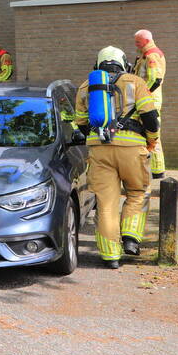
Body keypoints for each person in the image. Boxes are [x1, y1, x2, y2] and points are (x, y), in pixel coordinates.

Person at [74, 46, 159, 269]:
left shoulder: (85, 86)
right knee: (138, 192)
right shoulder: (135, 82)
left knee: (106, 203)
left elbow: (81, 123)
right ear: (123, 63)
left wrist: (97, 139)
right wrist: (152, 139)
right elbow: (150, 117)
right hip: (132, 149)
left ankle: (111, 256)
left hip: (99, 152)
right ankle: (130, 238)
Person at [131, 29, 166, 178]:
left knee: (153, 134)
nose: (136, 45)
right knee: (149, 133)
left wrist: (142, 95)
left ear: (145, 41)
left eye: (138, 42)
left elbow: (154, 80)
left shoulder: (151, 55)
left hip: (150, 101)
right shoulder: (145, 55)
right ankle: (152, 169)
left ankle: (157, 171)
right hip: (147, 100)